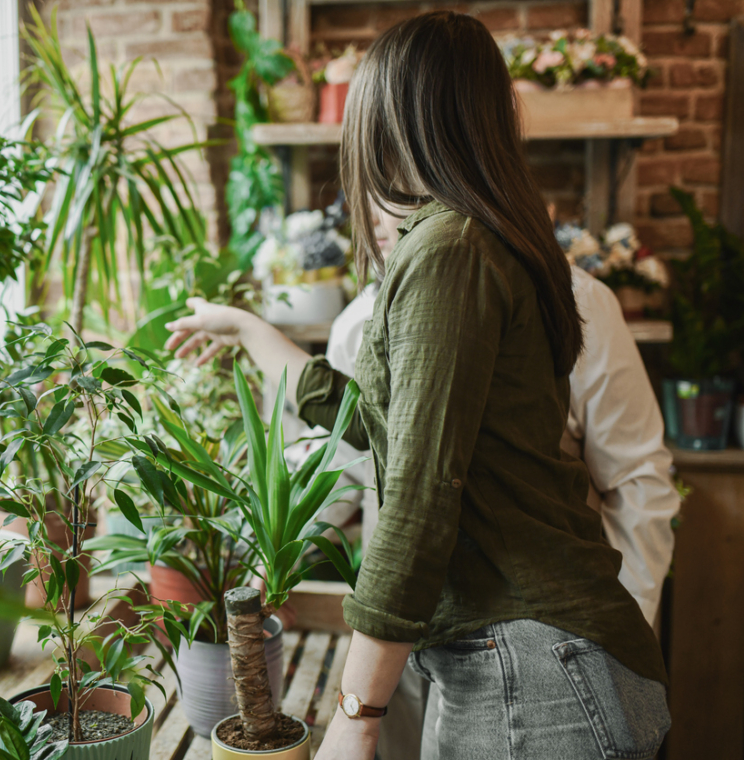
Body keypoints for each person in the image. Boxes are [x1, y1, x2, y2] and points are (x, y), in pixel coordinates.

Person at [164, 12, 670, 760]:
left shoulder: (449, 249)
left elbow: (420, 490)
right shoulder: (488, 241)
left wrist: (356, 709)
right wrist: (251, 330)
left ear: (391, 117)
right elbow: (378, 427)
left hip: (533, 672)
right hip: (548, 669)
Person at [329, 245, 679, 760]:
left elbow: (637, 479)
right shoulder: (359, 318)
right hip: (405, 647)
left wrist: (610, 630)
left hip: (535, 643)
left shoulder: (575, 298)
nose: (388, 221)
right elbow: (344, 457)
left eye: (402, 194)